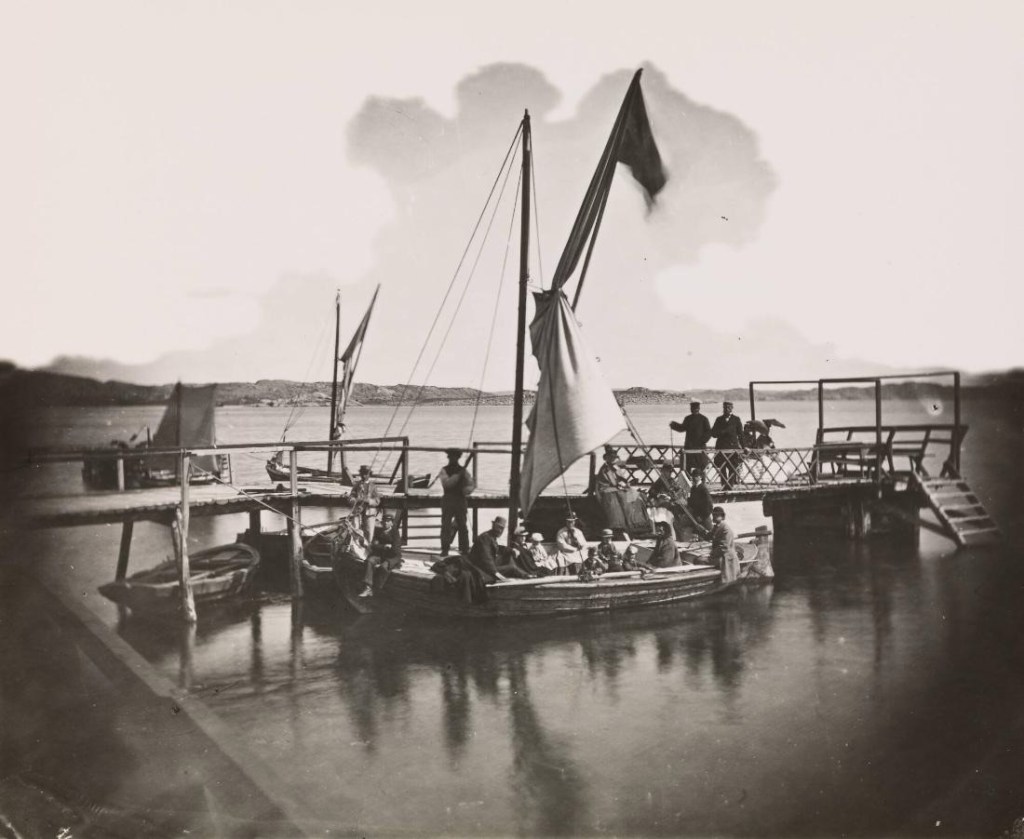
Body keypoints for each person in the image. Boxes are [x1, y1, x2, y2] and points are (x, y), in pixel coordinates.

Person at [433, 448, 475, 556]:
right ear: (448, 458)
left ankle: (464, 550)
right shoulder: (444, 470)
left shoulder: (463, 471)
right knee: (446, 526)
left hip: (460, 500)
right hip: (448, 499)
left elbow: (471, 484)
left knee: (463, 526)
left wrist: (467, 490)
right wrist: (458, 476)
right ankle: (445, 549)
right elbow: (447, 484)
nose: (453, 459)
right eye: (451, 457)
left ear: (458, 458)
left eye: (455, 457)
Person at [468, 516, 528, 582]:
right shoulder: (485, 538)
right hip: (481, 570)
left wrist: (512, 550)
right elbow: (487, 559)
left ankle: (525, 575)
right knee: (512, 568)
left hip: (488, 567)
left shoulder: (491, 536)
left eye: (502, 528)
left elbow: (498, 548)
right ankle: (527, 576)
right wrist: (497, 574)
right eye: (498, 527)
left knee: (509, 556)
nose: (500, 530)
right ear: (493, 525)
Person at [358, 514, 402, 597]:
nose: (385, 523)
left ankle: (376, 588)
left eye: (388, 521)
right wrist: (384, 546)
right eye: (384, 521)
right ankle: (368, 587)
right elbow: (374, 545)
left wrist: (381, 546)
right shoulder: (378, 532)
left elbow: (395, 549)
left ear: (392, 523)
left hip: (392, 557)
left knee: (383, 567)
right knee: (370, 561)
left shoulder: (395, 533)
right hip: (381, 555)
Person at [709, 401, 745, 490]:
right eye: (725, 408)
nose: (726, 409)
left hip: (733, 448)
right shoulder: (719, 419)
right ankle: (724, 485)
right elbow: (713, 433)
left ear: (732, 408)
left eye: (729, 408)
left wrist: (744, 447)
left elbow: (741, 434)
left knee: (733, 467)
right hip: (721, 447)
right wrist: (722, 432)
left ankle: (730, 485)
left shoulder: (736, 419)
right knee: (722, 467)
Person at [670, 401, 711, 476]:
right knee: (687, 466)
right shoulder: (688, 418)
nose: (694, 410)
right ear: (691, 409)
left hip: (700, 448)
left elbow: (708, 432)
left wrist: (702, 441)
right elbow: (682, 428)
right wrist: (674, 425)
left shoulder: (704, 419)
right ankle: (688, 480)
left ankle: (702, 481)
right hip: (689, 447)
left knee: (701, 467)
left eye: (696, 408)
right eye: (692, 408)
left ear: (699, 408)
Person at [709, 506, 740, 583]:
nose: (714, 517)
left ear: (722, 517)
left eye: (717, 515)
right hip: (721, 555)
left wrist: (712, 554)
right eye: (713, 515)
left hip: (727, 557)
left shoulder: (725, 529)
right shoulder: (717, 527)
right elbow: (709, 536)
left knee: (700, 560)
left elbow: (724, 547)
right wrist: (700, 530)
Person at [349, 464, 380, 540]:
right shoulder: (356, 485)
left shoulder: (373, 486)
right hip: (358, 511)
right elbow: (351, 497)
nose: (364, 476)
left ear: (369, 475)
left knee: (369, 532)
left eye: (366, 474)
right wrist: (355, 500)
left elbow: (377, 501)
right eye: (362, 474)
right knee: (355, 530)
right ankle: (356, 545)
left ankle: (368, 545)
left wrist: (368, 501)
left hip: (369, 513)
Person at [687, 469, 713, 536]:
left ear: (700, 477)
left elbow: (709, 504)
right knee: (698, 535)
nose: (694, 478)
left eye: (696, 476)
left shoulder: (703, 489)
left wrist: (702, 517)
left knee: (710, 534)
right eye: (693, 476)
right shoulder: (693, 488)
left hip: (704, 517)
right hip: (696, 516)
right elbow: (692, 502)